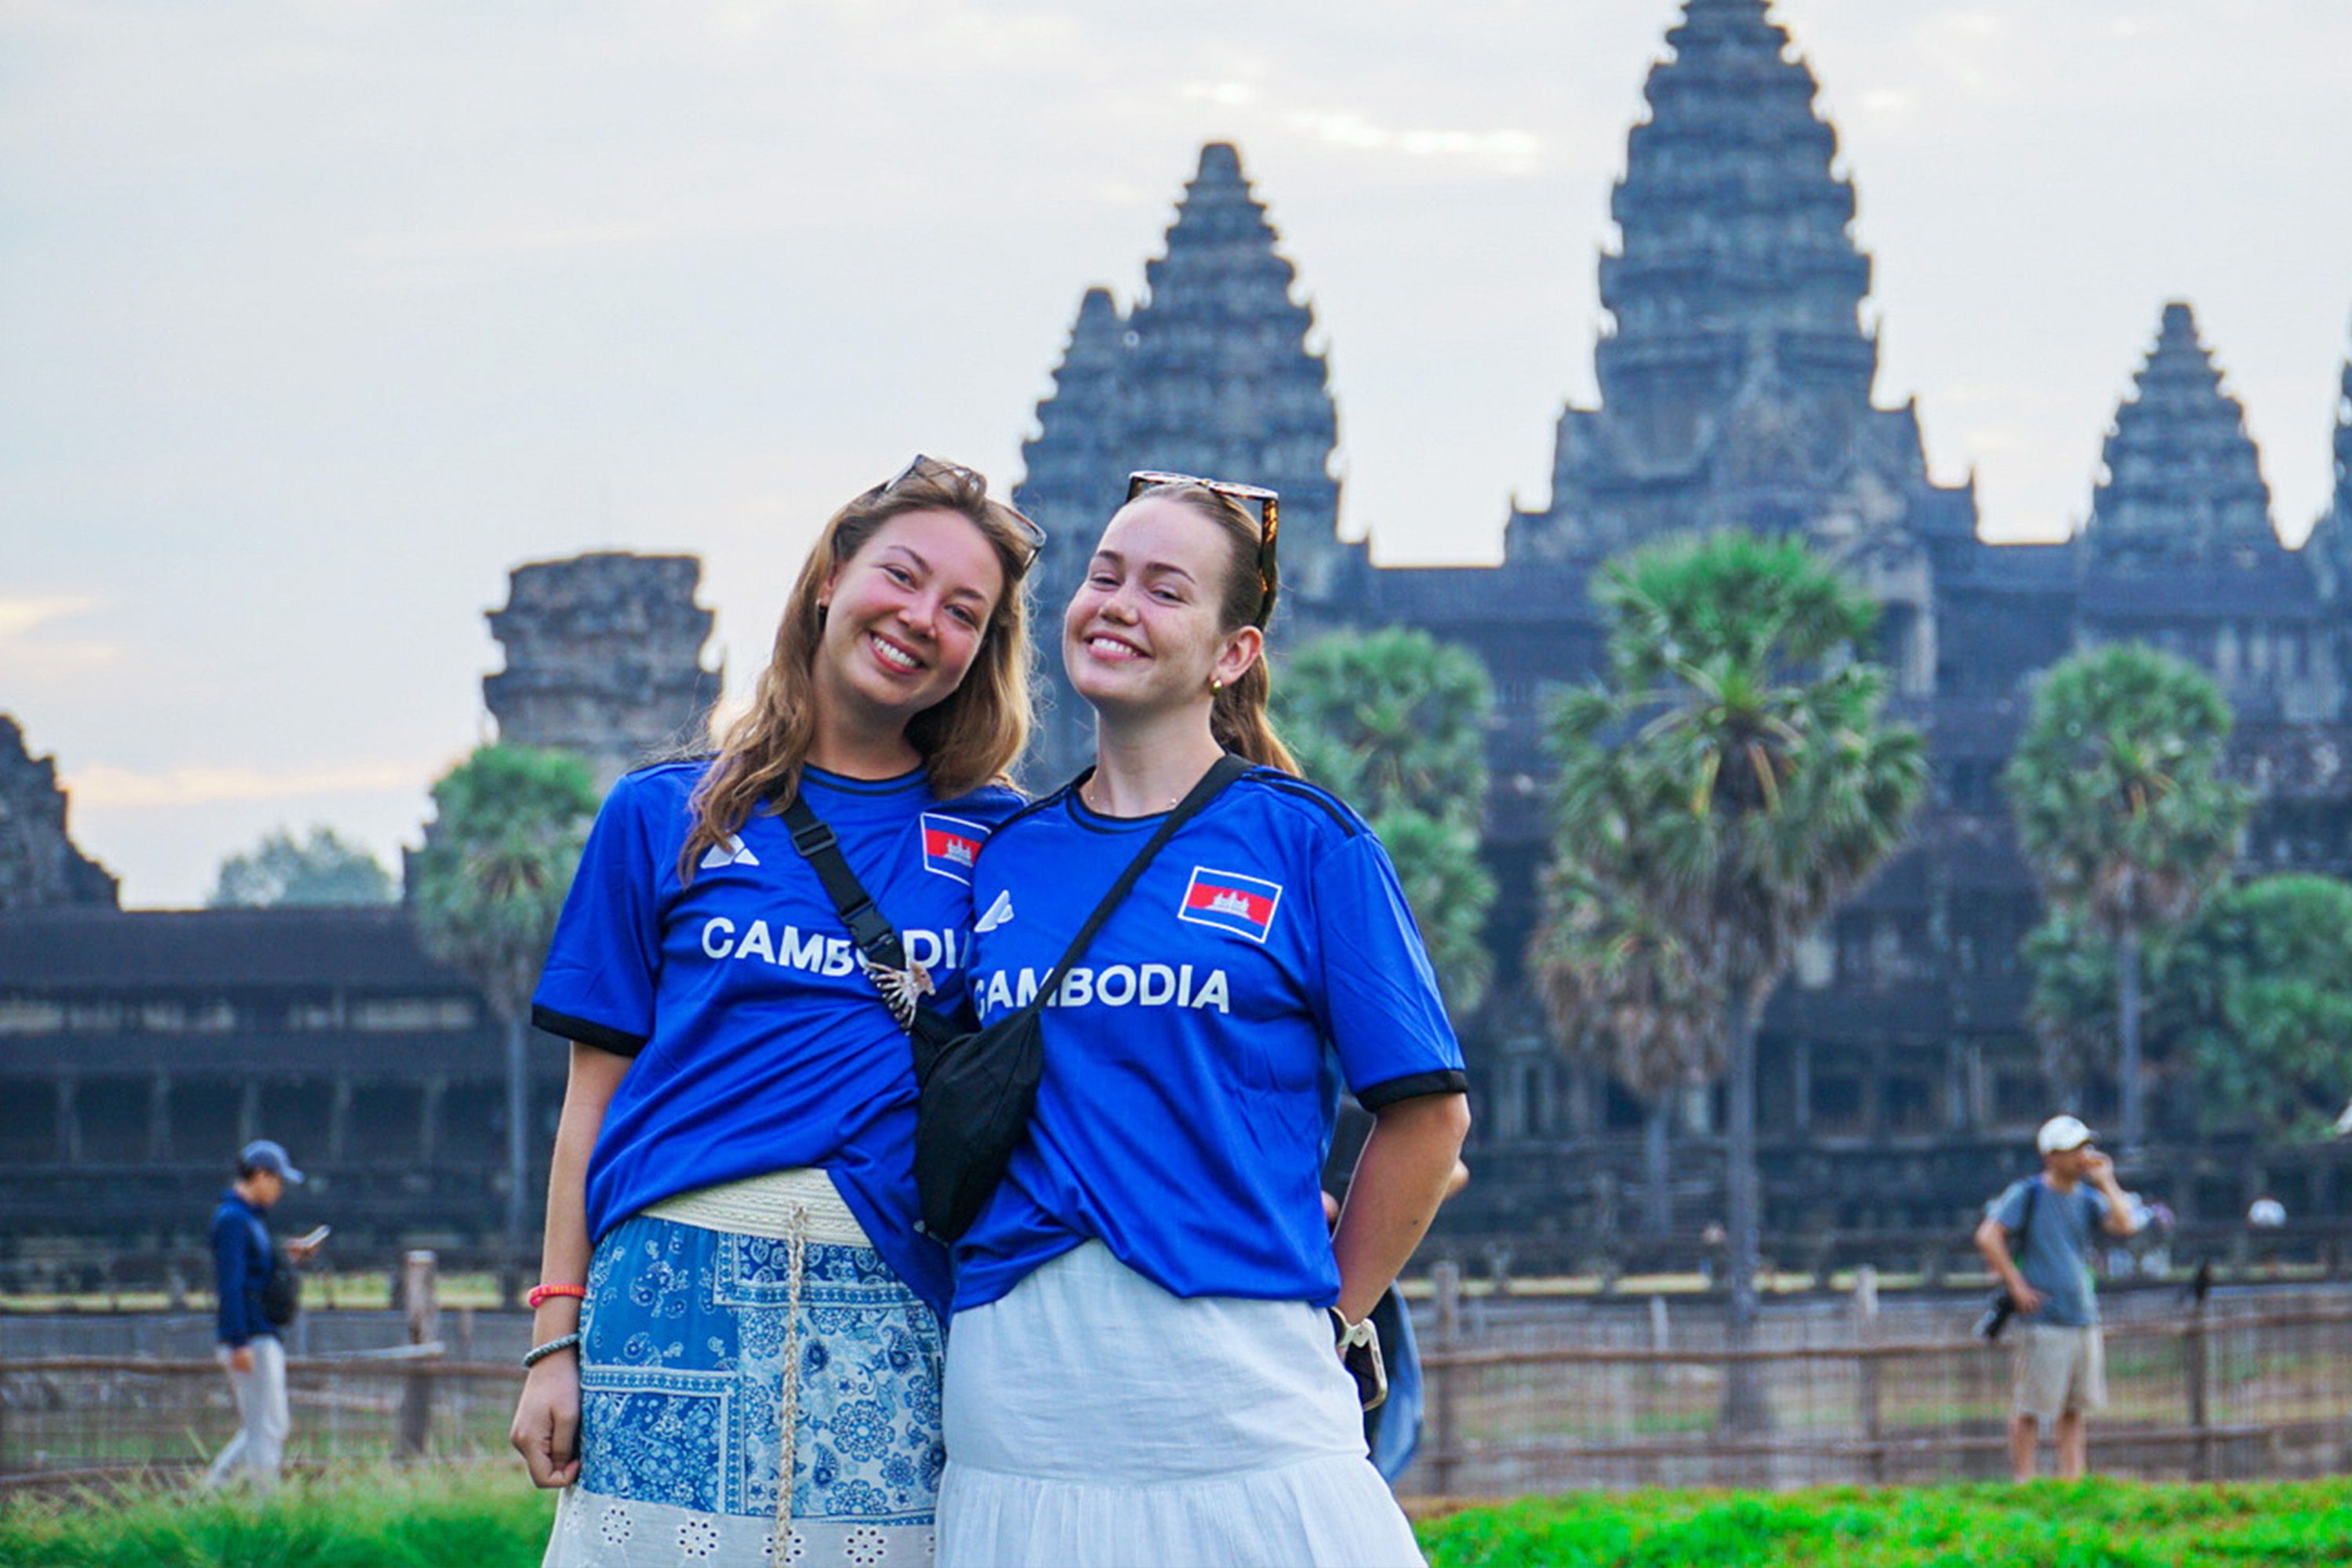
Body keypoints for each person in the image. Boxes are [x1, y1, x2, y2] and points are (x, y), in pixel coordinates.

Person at [510, 456, 1039, 1566]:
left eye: (963, 612)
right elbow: (588, 1107)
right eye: (900, 576)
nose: (919, 621)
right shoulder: (665, 814)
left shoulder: (1003, 843)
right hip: (670, 1297)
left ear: (979, 655)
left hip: (894, 1304)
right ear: (830, 578)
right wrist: (552, 1341)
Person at [937, 474, 1472, 1566]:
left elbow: (1428, 1121)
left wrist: (1338, 1320)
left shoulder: (1306, 843)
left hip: (1238, 1385)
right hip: (1020, 1389)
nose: (1119, 605)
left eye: (1166, 591)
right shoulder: (1004, 854)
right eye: (1105, 576)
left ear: (1232, 653)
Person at [1973, 1113, 2141, 1482]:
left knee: (2074, 1409)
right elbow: (1988, 1236)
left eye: (2086, 1148)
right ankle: (2025, 1480)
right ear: (2052, 1156)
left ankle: (2072, 1479)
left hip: (2082, 1315)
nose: (2084, 1156)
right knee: (2031, 1407)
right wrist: (2016, 1285)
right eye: (2075, 1150)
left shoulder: (2087, 1199)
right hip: (2044, 1318)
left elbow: (2126, 1225)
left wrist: (2107, 1182)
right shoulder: (2029, 1194)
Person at [205, 1138, 317, 1492]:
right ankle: (265, 1509)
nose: (280, 1190)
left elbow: (257, 1272)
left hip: (259, 1333)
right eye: (278, 1181)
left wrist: (289, 1257)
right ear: (259, 1176)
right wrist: (238, 1341)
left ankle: (212, 1492)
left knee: (269, 1425)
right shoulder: (233, 1221)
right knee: (266, 1429)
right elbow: (232, 1285)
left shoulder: (248, 1221)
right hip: (251, 1336)